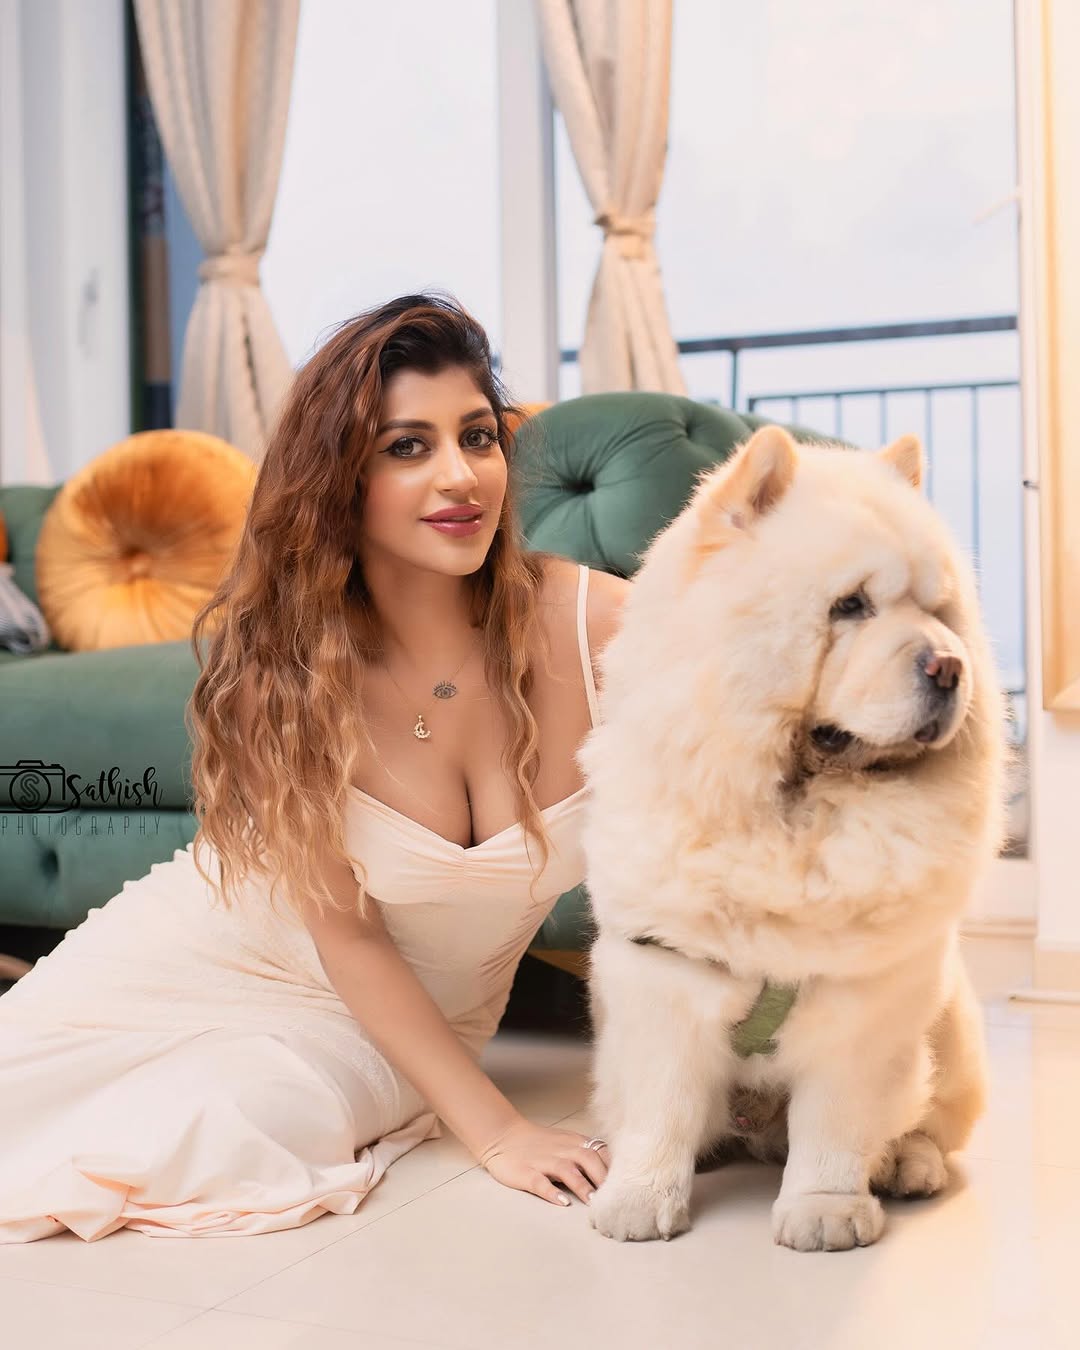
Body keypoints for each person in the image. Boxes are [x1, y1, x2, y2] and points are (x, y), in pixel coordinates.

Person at [0, 292, 630, 1242]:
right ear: (341, 477)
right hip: (203, 955)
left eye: (477, 437)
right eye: (407, 446)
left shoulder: (600, 625)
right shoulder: (285, 673)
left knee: (221, 1130)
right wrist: (499, 1133)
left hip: (372, 1026)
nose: (460, 476)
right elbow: (352, 940)